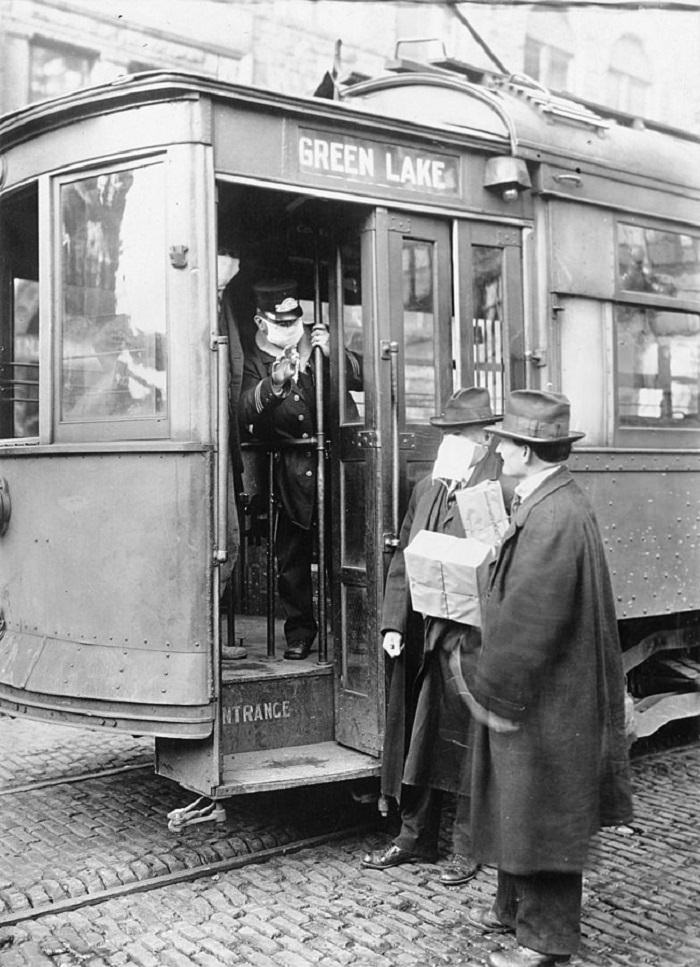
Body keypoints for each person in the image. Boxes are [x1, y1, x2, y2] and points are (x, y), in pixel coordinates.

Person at [463, 389, 633, 967]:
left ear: (529, 451)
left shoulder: (552, 512)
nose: (497, 447)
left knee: (545, 814)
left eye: (505, 439)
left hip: (544, 698)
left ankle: (542, 942)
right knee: (528, 805)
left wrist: (494, 687)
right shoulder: (552, 499)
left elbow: (534, 614)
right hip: (551, 693)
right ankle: (514, 910)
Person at [362, 387, 512, 885]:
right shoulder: (428, 487)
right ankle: (414, 837)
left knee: (471, 741)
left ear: (485, 438)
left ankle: (468, 847)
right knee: (421, 739)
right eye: (446, 433)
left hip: (475, 640)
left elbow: (506, 567)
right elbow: (404, 559)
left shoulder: (500, 489)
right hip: (426, 637)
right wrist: (391, 622)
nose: (448, 441)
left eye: (460, 434)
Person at [238, 279, 362, 660]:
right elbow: (243, 411)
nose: (291, 329)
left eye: (295, 321)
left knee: (345, 552)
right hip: (289, 470)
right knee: (292, 559)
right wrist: (274, 383)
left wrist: (332, 355)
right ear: (261, 322)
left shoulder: (318, 343)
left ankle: (349, 629)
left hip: (337, 465)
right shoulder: (254, 359)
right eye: (281, 323)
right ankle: (300, 632)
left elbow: (362, 379)